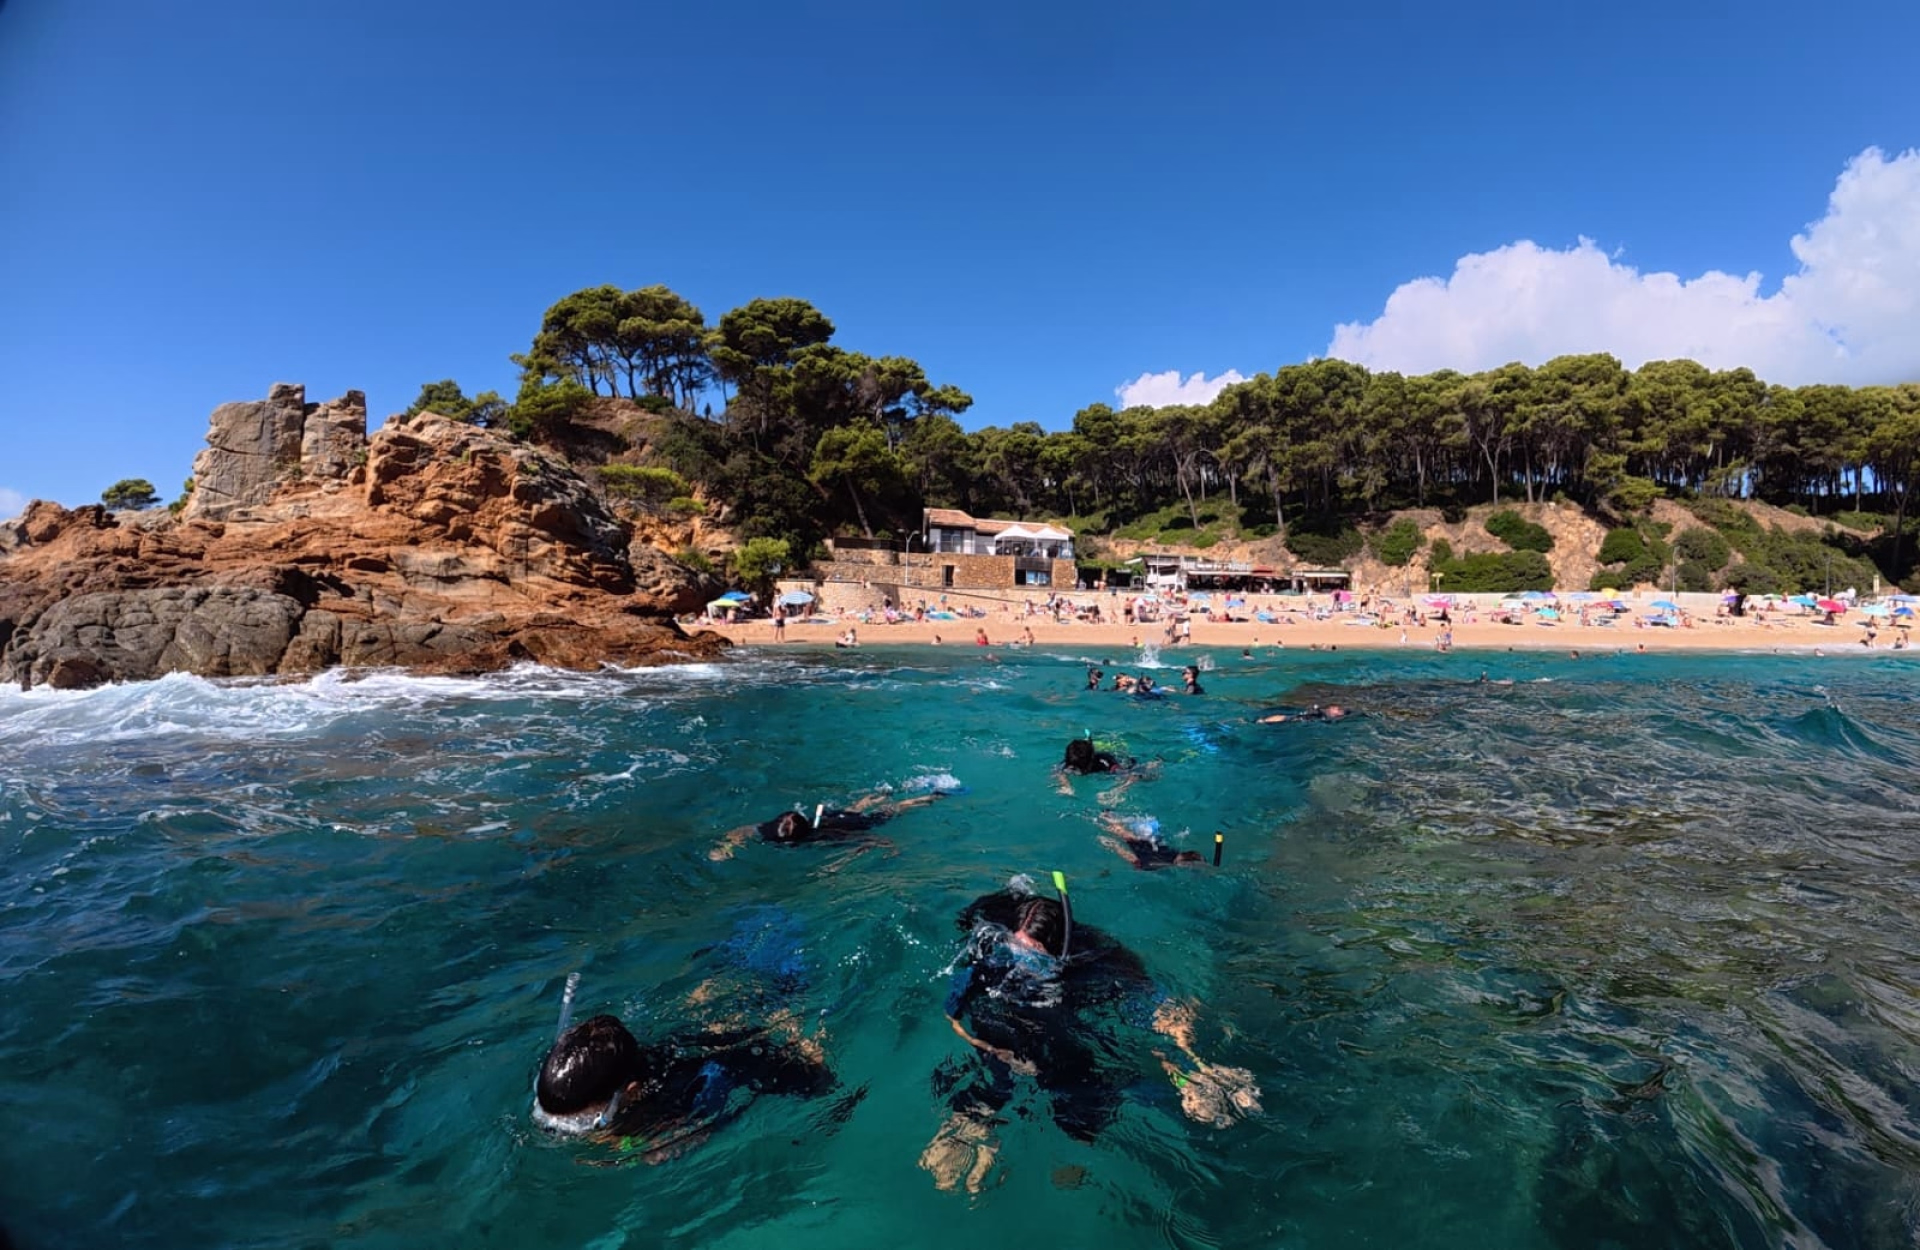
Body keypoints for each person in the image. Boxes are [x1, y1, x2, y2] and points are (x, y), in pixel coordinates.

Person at [919, 882, 1259, 1193]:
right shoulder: (991, 957)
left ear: (1057, 951)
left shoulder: (1092, 961)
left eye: (1032, 953)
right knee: (993, 1079)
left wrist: (1188, 1055)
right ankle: (972, 1128)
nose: (1020, 961)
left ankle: (1180, 1086)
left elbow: (1156, 1003)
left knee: (1081, 1096)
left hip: (1060, 1032)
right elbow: (952, 1015)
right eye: (1016, 948)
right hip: (1000, 1033)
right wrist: (989, 1047)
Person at [532, 994, 834, 1161]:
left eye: (586, 1120)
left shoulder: (683, 1096)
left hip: (742, 1063)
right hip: (698, 1044)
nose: (569, 1129)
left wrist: (626, 1149)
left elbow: (688, 1136)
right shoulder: (627, 1069)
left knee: (819, 1084)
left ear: (632, 1092)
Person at [710, 790, 944, 859]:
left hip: (847, 825)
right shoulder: (768, 828)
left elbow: (871, 840)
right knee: (848, 811)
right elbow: (740, 832)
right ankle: (871, 797)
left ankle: (924, 798)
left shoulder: (824, 836)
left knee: (883, 814)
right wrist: (726, 847)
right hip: (828, 817)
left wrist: (890, 849)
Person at [1098, 812, 1204, 870]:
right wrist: (1113, 845)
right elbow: (1135, 861)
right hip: (1143, 846)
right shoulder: (1162, 863)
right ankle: (1104, 817)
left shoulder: (1175, 852)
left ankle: (1106, 815)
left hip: (1152, 838)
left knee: (1131, 835)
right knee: (1130, 839)